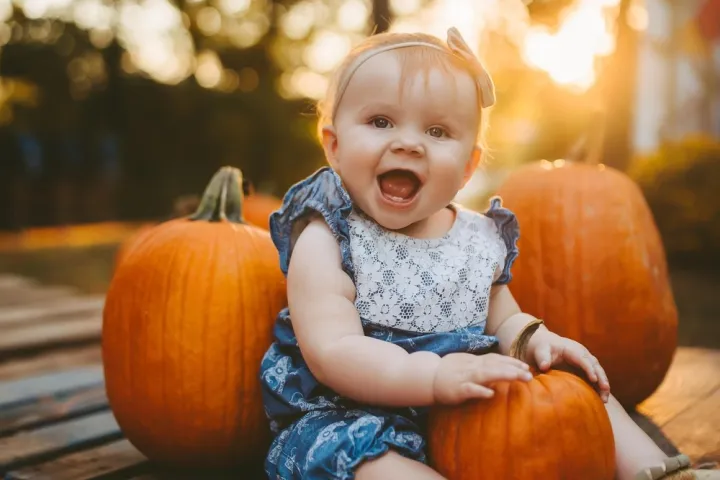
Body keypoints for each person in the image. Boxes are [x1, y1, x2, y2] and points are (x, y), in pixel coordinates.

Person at [258, 27, 716, 480]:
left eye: (437, 131)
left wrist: (535, 340)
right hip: (353, 415)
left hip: (467, 409)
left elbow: (502, 318)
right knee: (371, 463)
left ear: (468, 167)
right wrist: (433, 378)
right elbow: (333, 350)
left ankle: (657, 472)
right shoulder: (326, 236)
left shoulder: (475, 239)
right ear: (334, 145)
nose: (408, 142)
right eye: (381, 122)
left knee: (572, 387)